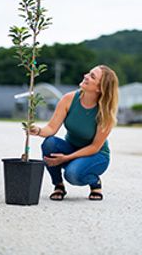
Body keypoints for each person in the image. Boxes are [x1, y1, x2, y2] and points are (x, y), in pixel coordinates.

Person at [30, 65, 119, 201]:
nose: (85, 76)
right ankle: (58, 185)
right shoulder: (69, 99)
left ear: (99, 88)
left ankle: (95, 182)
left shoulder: (105, 113)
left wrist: (66, 158)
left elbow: (95, 147)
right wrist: (38, 131)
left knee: (72, 174)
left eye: (92, 76)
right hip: (72, 148)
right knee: (50, 143)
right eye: (89, 73)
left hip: (96, 155)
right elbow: (51, 129)